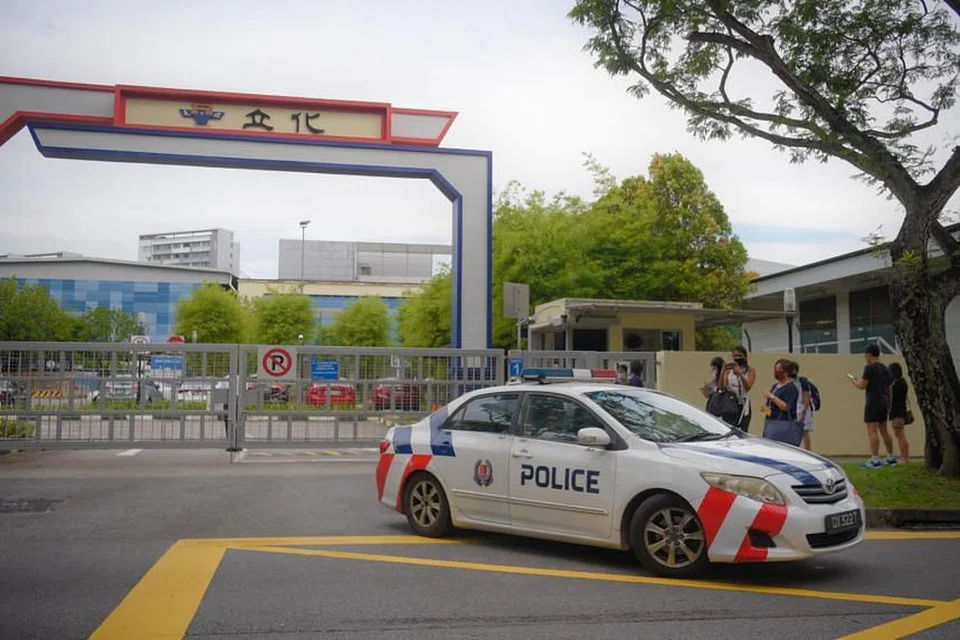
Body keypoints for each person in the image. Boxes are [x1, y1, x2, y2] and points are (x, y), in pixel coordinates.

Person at [849, 343, 896, 468]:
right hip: (884, 401)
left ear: (869, 354)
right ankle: (890, 457)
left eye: (866, 354)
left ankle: (875, 459)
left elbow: (862, 385)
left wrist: (853, 381)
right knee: (884, 430)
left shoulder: (869, 368)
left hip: (873, 401)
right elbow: (889, 388)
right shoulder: (885, 368)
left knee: (872, 430)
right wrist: (889, 403)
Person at [760, 359, 802, 446]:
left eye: (779, 369)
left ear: (787, 372)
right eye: (776, 368)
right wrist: (765, 408)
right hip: (770, 423)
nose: (777, 371)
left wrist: (772, 397)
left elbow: (787, 407)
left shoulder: (791, 388)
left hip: (783, 424)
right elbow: (771, 405)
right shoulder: (775, 386)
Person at [723, 345, 756, 433]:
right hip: (730, 403)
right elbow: (724, 386)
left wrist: (740, 374)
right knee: (729, 429)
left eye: (740, 355)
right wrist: (723, 371)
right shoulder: (728, 370)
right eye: (735, 356)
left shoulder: (751, 371)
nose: (737, 358)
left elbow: (747, 387)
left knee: (742, 431)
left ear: (745, 356)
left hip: (743, 404)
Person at [787, 360, 815, 450]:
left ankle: (808, 451)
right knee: (794, 432)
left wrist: (804, 412)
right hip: (794, 409)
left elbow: (806, 396)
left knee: (804, 432)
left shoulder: (802, 381)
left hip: (803, 409)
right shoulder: (788, 382)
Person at [888, 362, 911, 464]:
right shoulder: (902, 382)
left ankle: (904, 458)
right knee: (901, 435)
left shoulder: (896, 384)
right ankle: (904, 457)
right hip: (901, 411)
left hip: (897, 412)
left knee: (900, 436)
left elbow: (891, 397)